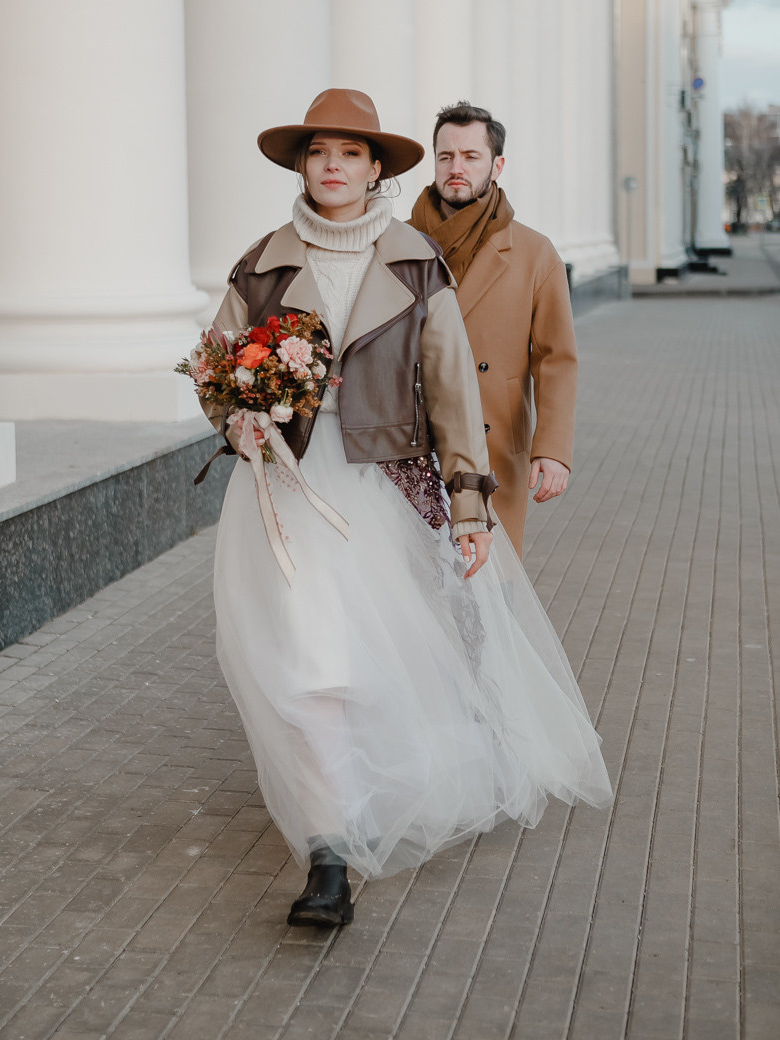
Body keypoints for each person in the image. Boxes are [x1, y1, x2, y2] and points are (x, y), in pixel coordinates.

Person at [203, 89, 611, 929]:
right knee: (303, 667)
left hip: (379, 490)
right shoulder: (261, 262)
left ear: (374, 169)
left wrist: (469, 506)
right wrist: (234, 419)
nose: (333, 166)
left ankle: (369, 803)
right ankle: (327, 854)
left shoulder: (415, 262)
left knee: (369, 664)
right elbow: (216, 364)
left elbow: (453, 390)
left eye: (350, 153)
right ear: (301, 165)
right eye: (319, 152)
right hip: (283, 488)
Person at [411, 102, 578, 557]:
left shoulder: (535, 252)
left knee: (490, 577)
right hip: (410, 444)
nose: (456, 168)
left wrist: (553, 447)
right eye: (446, 156)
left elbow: (556, 359)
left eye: (471, 156)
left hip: (494, 446)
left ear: (497, 165)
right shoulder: (399, 244)